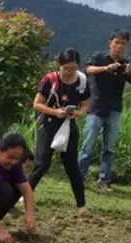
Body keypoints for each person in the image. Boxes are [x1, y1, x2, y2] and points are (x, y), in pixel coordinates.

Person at [78, 29, 131, 191]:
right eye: (116, 43)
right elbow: (87, 70)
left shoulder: (126, 63)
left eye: (123, 44)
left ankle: (104, 180)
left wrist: (130, 73)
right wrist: (106, 68)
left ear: (127, 46)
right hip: (96, 107)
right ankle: (79, 177)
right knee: (88, 145)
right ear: (110, 43)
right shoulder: (99, 57)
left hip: (115, 109)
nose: (119, 46)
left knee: (109, 148)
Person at [28, 48, 91, 213]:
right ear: (59, 66)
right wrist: (55, 112)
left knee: (72, 165)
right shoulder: (50, 80)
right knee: (42, 164)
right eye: (66, 68)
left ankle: (81, 204)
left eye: (73, 69)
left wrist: (78, 113)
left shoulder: (82, 81)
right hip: (49, 123)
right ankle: (24, 195)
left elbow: (86, 104)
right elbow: (37, 104)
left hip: (68, 124)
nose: (69, 72)